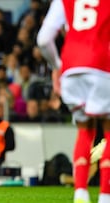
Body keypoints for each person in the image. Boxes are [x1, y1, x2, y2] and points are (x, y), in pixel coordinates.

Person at [37, 1, 110, 203]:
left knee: (84, 132)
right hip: (103, 64)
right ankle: (105, 195)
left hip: (71, 66)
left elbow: (43, 40)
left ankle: (80, 192)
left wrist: (57, 66)